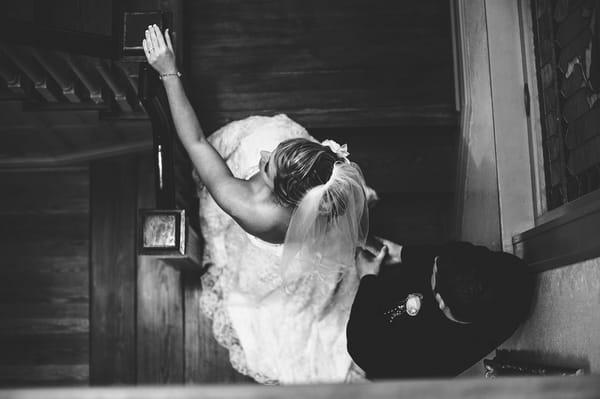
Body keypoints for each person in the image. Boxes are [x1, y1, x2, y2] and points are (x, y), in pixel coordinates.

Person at [143, 25, 375, 384]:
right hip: (300, 247)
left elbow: (197, 142)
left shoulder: (246, 205)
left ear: (282, 195)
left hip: (265, 253)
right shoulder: (326, 194)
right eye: (278, 154)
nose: (265, 154)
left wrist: (168, 71)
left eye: (267, 166)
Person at [348, 239, 534, 379]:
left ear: (440, 302)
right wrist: (403, 253)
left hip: (383, 356)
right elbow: (456, 255)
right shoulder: (514, 275)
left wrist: (367, 278)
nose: (433, 259)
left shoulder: (430, 357)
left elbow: (359, 345)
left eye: (433, 270)